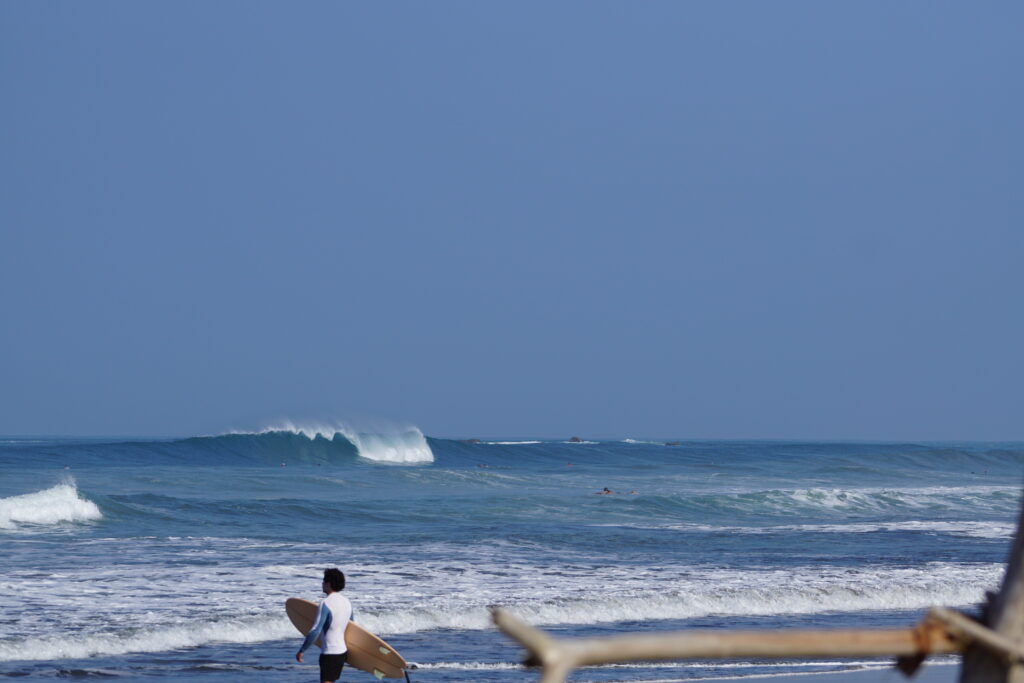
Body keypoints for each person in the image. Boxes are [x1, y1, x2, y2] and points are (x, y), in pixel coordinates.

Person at [296, 568, 353, 683]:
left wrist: (302, 650)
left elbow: (316, 630)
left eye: (323, 581)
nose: (322, 584)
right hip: (342, 652)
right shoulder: (347, 602)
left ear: (328, 584)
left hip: (330, 653)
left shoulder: (325, 603)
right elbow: (352, 626)